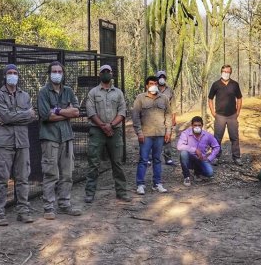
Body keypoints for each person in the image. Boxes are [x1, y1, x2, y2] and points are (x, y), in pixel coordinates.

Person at [0, 64, 37, 226]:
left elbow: (33, 117)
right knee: (2, 179)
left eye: (15, 73)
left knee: (23, 178)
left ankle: (23, 211)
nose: (12, 75)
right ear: (5, 76)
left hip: (22, 141)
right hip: (4, 142)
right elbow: (5, 117)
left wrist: (13, 117)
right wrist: (23, 115)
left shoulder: (25, 95)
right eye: (9, 73)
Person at [37, 61, 82, 220]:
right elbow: (45, 116)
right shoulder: (43, 92)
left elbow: (76, 112)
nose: (56, 74)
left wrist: (57, 110)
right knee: (50, 174)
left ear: (63, 74)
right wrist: (66, 112)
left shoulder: (68, 91)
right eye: (54, 71)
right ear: (49, 74)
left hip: (67, 137)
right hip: (50, 138)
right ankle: (48, 207)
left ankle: (64, 204)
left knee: (67, 174)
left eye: (59, 71)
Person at [84, 65, 131, 203]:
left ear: (112, 74)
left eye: (108, 72)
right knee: (93, 163)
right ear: (100, 74)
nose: (106, 74)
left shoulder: (118, 93)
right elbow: (90, 111)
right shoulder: (93, 92)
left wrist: (110, 125)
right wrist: (103, 126)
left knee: (117, 163)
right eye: (103, 72)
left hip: (115, 131)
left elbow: (122, 111)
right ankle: (90, 193)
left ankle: (121, 192)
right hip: (97, 131)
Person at [132, 75, 172, 194]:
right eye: (151, 84)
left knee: (157, 159)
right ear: (146, 85)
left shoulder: (164, 98)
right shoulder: (140, 98)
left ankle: (157, 183)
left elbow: (168, 115)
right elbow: (135, 117)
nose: (153, 85)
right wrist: (139, 132)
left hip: (160, 134)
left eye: (155, 83)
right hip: (145, 134)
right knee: (144, 160)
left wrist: (168, 131)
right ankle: (140, 184)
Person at [207, 65, 243, 165]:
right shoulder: (215, 84)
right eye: (224, 71)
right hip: (219, 116)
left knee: (234, 137)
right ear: (221, 72)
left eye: (227, 72)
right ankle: (216, 157)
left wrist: (238, 112)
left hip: (232, 115)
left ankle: (236, 157)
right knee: (217, 138)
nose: (225, 73)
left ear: (230, 73)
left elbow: (239, 98)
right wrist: (213, 112)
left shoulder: (235, 84)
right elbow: (210, 98)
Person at [176, 116, 220, 186]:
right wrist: (195, 150)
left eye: (199, 125)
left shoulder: (207, 135)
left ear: (202, 126)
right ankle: (186, 177)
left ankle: (197, 173)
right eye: (195, 125)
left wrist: (209, 158)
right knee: (183, 153)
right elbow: (179, 146)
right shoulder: (185, 133)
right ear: (192, 125)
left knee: (209, 173)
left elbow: (217, 147)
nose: (197, 127)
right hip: (189, 159)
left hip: (201, 159)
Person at [156, 70, 178, 166]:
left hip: (167, 118)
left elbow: (173, 105)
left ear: (165, 78)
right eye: (160, 76)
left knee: (167, 138)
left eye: (163, 77)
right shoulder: (153, 89)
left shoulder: (170, 90)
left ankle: (168, 158)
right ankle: (151, 158)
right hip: (155, 118)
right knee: (153, 137)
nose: (162, 78)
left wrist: (174, 118)